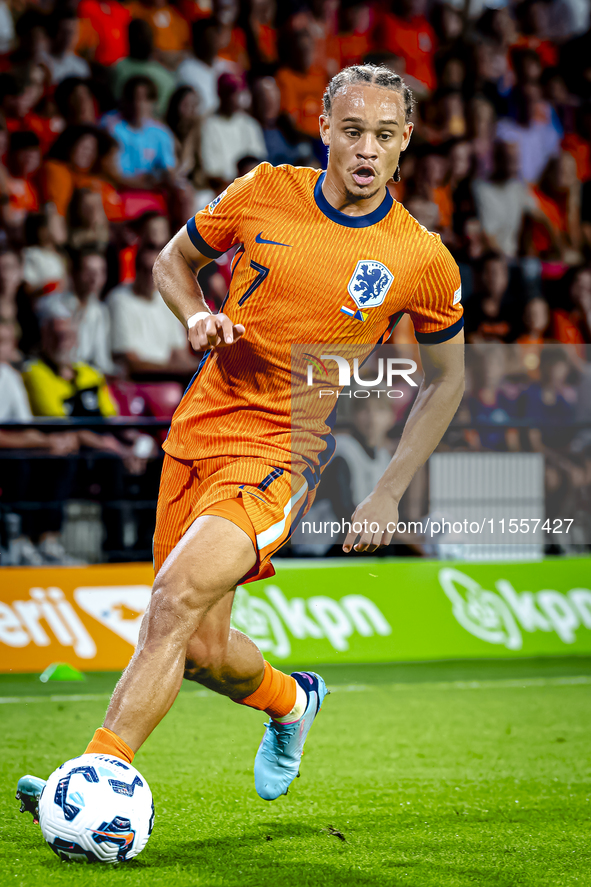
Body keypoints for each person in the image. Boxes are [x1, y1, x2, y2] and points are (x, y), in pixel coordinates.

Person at [17, 64, 464, 814]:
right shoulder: (264, 190)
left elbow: (446, 380)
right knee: (197, 649)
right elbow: (172, 264)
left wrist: (388, 488)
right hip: (197, 430)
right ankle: (292, 700)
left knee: (174, 594)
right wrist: (193, 315)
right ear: (323, 128)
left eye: (383, 136)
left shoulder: (419, 256)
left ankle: (96, 776)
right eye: (351, 130)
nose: (365, 148)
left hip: (283, 451)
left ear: (405, 143)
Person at [107, 240, 197, 375]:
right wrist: (171, 370)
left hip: (168, 379)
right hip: (138, 381)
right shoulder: (119, 300)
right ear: (136, 270)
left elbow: (179, 354)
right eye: (147, 270)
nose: (153, 276)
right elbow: (129, 361)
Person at [200, 72, 267, 189]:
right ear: (220, 94)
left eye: (235, 93)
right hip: (221, 188)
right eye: (228, 93)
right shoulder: (208, 125)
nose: (232, 98)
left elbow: (259, 160)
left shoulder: (250, 125)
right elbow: (210, 170)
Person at [111, 19, 176, 120]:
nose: (140, 39)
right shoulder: (118, 69)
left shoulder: (164, 74)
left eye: (144, 36)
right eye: (136, 36)